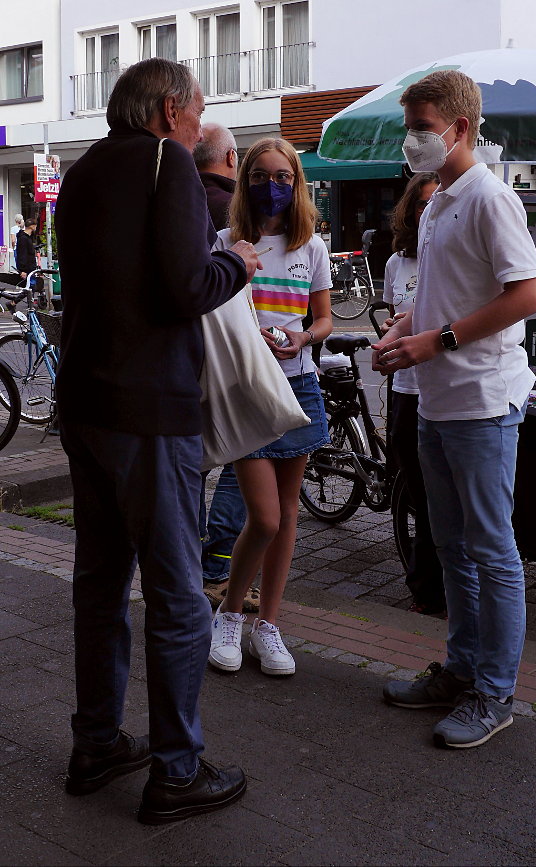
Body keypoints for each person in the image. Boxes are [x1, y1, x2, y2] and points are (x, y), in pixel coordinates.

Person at [54, 58, 261, 824]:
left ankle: (97, 740)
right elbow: (186, 288)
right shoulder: (166, 162)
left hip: (85, 402)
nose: (202, 125)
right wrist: (233, 261)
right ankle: (177, 769)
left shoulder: (81, 171)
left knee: (100, 581)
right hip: (150, 410)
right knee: (176, 592)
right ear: (170, 110)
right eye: (199, 111)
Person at [372, 70, 536, 750]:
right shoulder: (438, 198)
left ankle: (494, 692)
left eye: (421, 127)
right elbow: (449, 293)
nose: (412, 139)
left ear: (460, 129)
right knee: (449, 546)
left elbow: (527, 295)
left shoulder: (489, 198)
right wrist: (407, 326)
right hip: (437, 400)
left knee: (491, 549)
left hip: (480, 400)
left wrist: (433, 340)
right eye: (410, 126)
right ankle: (462, 669)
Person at [208, 137, 332, 677]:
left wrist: (304, 339)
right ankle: (231, 613)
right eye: (259, 176)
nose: (272, 186)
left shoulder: (312, 247)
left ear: (297, 182)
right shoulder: (225, 243)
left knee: (287, 517)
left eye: (283, 176)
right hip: (246, 391)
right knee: (263, 515)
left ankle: (269, 625)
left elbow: (323, 317)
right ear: (245, 181)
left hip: (299, 385)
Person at [193, 123, 255, 607]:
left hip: (189, 358)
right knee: (247, 448)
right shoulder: (233, 211)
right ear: (232, 159)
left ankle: (192, 560)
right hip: (237, 353)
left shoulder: (182, 198)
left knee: (192, 461)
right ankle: (217, 562)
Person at [382, 171, 445, 617]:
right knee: (419, 492)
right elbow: (392, 316)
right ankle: (426, 586)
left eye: (435, 203)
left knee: (442, 496)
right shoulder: (397, 263)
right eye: (422, 204)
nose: (429, 211)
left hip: (442, 388)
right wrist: (393, 329)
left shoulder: (450, 254)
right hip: (406, 388)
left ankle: (436, 585)